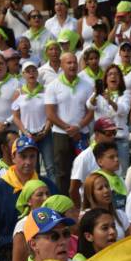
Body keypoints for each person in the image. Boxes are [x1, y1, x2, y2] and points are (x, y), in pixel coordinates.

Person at [0, 135, 59, 261]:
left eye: (32, 156)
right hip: (9, 252)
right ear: (13, 158)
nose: (28, 162)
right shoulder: (0, 187)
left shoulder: (47, 185)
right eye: (23, 156)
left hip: (47, 249)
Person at [44, 53, 94, 197]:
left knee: (83, 170)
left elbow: (90, 112)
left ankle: (84, 201)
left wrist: (78, 127)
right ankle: (64, 203)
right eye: (68, 63)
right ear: (61, 65)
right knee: (62, 172)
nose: (72, 65)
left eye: (74, 63)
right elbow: (50, 113)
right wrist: (68, 128)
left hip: (81, 134)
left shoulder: (87, 85)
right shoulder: (53, 86)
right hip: (61, 135)